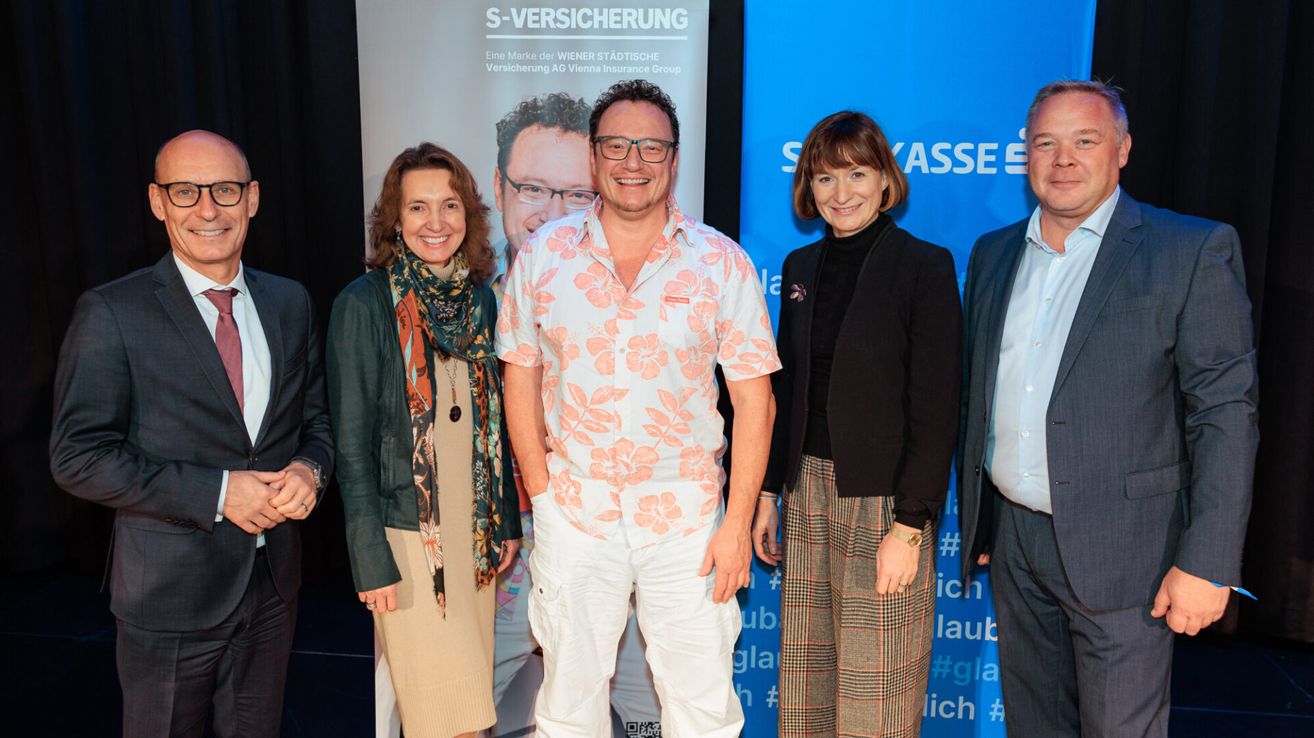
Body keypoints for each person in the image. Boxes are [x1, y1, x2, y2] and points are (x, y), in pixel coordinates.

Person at [958, 80, 1258, 736]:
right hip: (1015, 542)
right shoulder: (994, 253)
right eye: (1046, 142)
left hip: (1130, 551)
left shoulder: (1189, 251)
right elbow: (982, 396)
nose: (1063, 158)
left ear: (1122, 150)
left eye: (1084, 141)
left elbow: (1225, 413)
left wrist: (1208, 560)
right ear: (1025, 155)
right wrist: (985, 525)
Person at [496, 79, 780, 737]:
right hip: (576, 514)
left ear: (674, 159)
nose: (634, 162)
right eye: (618, 145)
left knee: (702, 705)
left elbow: (754, 402)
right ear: (594, 158)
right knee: (567, 704)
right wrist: (542, 491)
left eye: (651, 147)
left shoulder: (721, 264)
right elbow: (519, 377)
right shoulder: (543, 257)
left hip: (688, 521)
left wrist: (737, 523)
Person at [50, 129, 334, 737]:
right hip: (169, 597)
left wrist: (312, 470)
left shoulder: (290, 302)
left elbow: (316, 422)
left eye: (225, 190)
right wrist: (217, 492)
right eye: (186, 191)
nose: (208, 209)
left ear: (252, 198)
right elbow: (76, 456)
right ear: (158, 202)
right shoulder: (112, 312)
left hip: (272, 588)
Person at [752, 111, 962, 737]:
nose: (840, 193)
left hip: (886, 502)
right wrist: (768, 493)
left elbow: (937, 405)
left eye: (856, 173)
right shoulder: (799, 268)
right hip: (807, 491)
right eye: (823, 178)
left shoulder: (924, 265)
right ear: (807, 189)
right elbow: (785, 389)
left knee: (878, 691)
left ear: (884, 179)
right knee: (808, 681)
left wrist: (911, 525)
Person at [326, 142, 521, 738]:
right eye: (417, 208)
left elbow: (495, 423)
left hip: (475, 535)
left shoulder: (482, 301)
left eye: (449, 205)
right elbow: (351, 447)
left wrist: (506, 520)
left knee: (468, 712)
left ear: (470, 215)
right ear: (395, 219)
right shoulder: (363, 304)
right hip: (410, 539)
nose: (435, 223)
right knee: (446, 718)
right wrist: (369, 561)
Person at [489, 92, 663, 733]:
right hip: (491, 563)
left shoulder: (647, 298)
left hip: (615, 544)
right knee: (462, 706)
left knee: (643, 710)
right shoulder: (457, 310)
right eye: (533, 187)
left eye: (573, 193)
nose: (551, 213)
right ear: (499, 187)